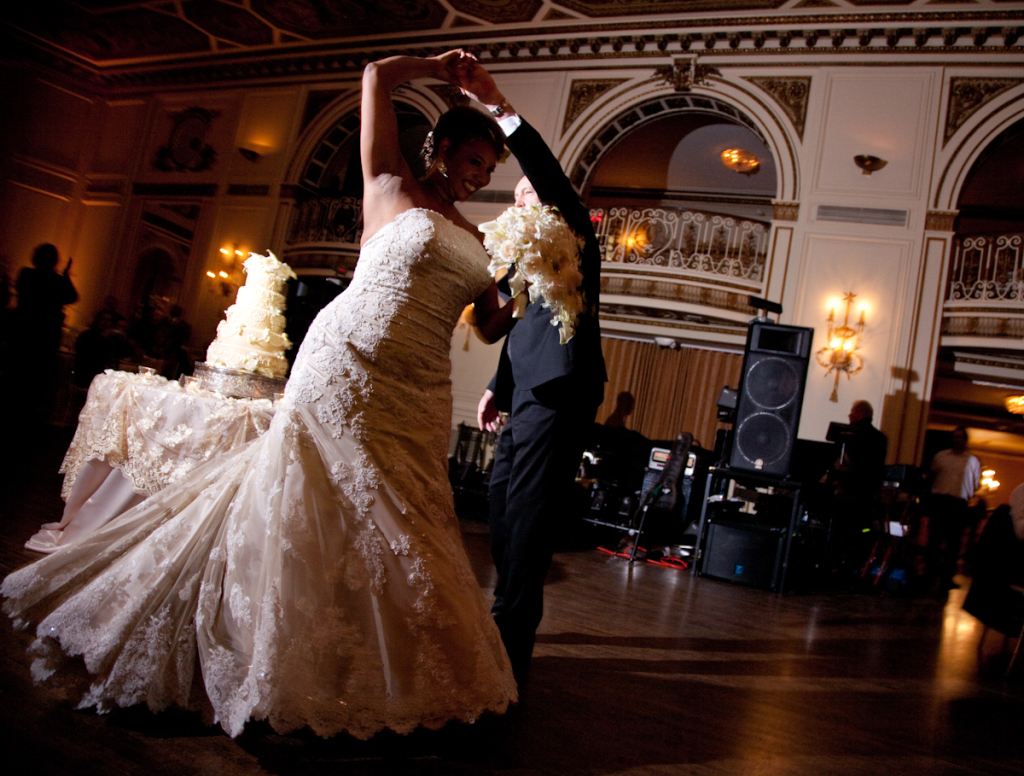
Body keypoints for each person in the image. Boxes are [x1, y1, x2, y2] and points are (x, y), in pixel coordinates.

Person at [2, 50, 518, 740]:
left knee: (404, 515)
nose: (479, 176)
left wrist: (529, 288)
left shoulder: (478, 239)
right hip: (349, 363)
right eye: (474, 161)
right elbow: (373, 77)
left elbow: (487, 323)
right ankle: (263, 651)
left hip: (420, 384)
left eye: (489, 171)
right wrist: (436, 66)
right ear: (443, 147)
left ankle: (358, 665)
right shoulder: (389, 181)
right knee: (315, 495)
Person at [458, 59, 607, 684]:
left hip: (563, 390)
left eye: (530, 192)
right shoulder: (521, 263)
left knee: (529, 512)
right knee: (500, 503)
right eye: (514, 194)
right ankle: (505, 616)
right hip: (525, 392)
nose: (522, 195)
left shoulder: (574, 239)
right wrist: (498, 384)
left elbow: (543, 169)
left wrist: (498, 106)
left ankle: (511, 642)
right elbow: (518, 324)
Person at [9, 243, 78, 428]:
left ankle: (17, 413)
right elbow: (72, 297)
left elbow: (71, 297)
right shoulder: (52, 280)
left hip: (26, 334)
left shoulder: (27, 275)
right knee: (35, 380)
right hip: (42, 336)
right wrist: (65, 277)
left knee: (22, 377)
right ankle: (26, 416)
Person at [925, 426, 982, 592]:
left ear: (965, 440)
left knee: (953, 544)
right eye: (954, 437)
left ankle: (946, 579)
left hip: (958, 504)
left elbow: (976, 484)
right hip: (940, 501)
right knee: (934, 541)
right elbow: (932, 476)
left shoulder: (972, 461)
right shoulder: (941, 457)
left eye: (959, 437)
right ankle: (929, 576)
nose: (956, 440)